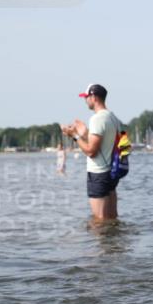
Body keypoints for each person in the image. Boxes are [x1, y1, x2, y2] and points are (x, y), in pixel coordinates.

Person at [61, 83, 122, 221]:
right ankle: (115, 242)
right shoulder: (113, 117)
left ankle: (101, 242)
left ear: (93, 97)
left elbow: (91, 151)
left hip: (98, 174)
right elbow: (105, 144)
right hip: (111, 172)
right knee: (112, 218)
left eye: (86, 97)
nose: (85, 100)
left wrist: (74, 136)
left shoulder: (97, 119)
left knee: (99, 220)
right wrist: (84, 133)